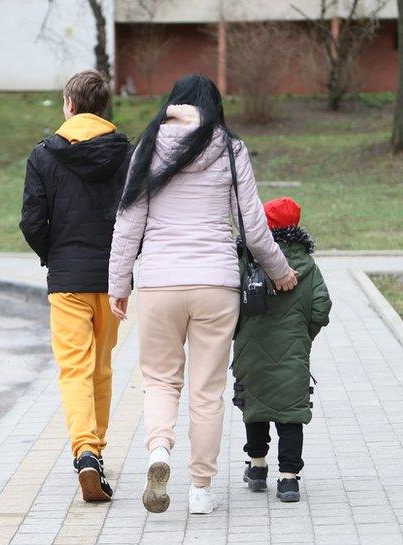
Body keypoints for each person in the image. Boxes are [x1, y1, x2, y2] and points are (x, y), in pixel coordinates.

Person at [107, 74, 298, 515]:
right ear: (214, 106)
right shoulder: (229, 149)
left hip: (158, 283)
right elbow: (252, 226)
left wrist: (119, 284)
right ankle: (200, 489)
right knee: (206, 391)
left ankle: (158, 451)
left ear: (173, 103)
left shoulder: (148, 145)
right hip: (215, 285)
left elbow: (128, 223)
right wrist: (281, 270)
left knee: (159, 380)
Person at [19, 69, 130, 502]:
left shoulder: (44, 155)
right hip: (112, 278)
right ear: (103, 108)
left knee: (74, 368)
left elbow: (32, 221)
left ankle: (85, 451)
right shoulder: (126, 153)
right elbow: (136, 214)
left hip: (67, 280)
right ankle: (96, 451)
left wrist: (54, 255)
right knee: (101, 367)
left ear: (69, 104)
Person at [233, 197, 332, 503]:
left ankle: (258, 467)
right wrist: (304, 336)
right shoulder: (308, 265)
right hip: (293, 349)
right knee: (290, 412)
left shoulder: (246, 261)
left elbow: (229, 301)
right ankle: (288, 479)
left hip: (251, 347)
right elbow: (321, 307)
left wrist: (239, 331)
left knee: (256, 405)